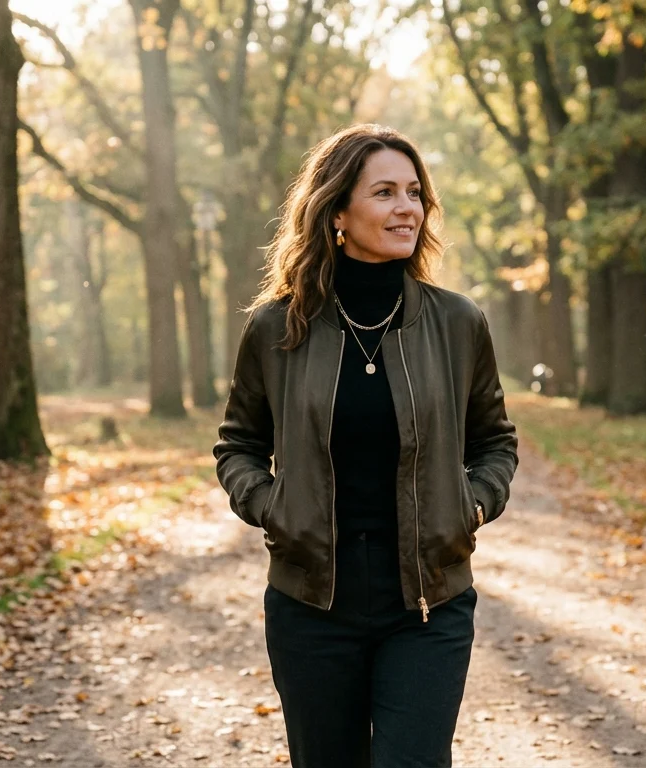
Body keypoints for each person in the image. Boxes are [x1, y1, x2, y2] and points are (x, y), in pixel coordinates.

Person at [213, 123, 518, 768]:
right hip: (311, 607)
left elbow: (495, 441)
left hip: (429, 606)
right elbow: (238, 444)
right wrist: (272, 507)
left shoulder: (459, 322)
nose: (406, 207)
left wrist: (473, 504)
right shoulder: (277, 328)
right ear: (337, 213)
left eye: (414, 193)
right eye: (384, 192)